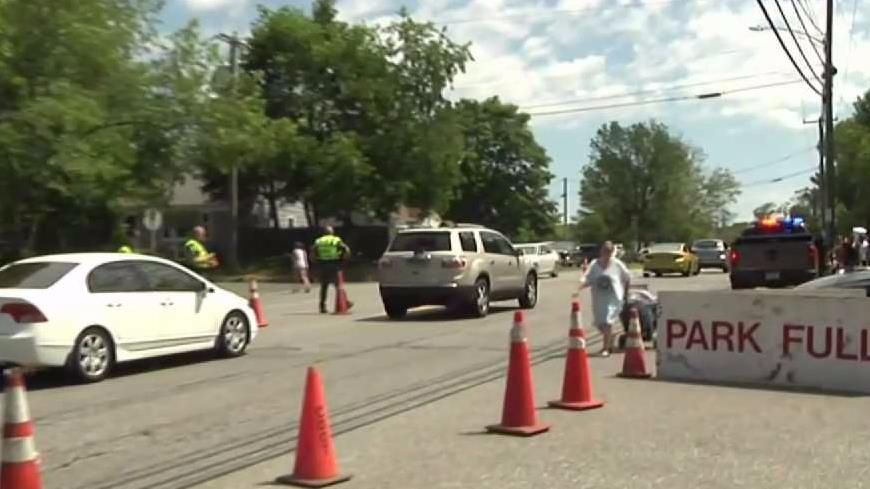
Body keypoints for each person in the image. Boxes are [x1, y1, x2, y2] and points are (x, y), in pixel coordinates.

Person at [574, 241, 631, 357]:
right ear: (601, 252)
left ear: (612, 252)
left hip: (614, 297)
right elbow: (587, 279)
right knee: (599, 323)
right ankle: (610, 336)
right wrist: (578, 289)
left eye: (609, 252)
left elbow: (627, 278)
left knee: (607, 321)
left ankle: (605, 348)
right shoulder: (594, 264)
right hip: (599, 298)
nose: (607, 254)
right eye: (605, 251)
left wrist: (625, 294)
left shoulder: (617, 264)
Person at [312, 226, 352, 314]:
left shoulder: (318, 241)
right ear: (331, 232)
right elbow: (346, 249)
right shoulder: (335, 240)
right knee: (338, 285)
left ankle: (322, 306)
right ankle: (344, 302)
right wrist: (345, 259)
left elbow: (312, 253)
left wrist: (316, 263)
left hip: (322, 264)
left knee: (324, 286)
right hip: (334, 264)